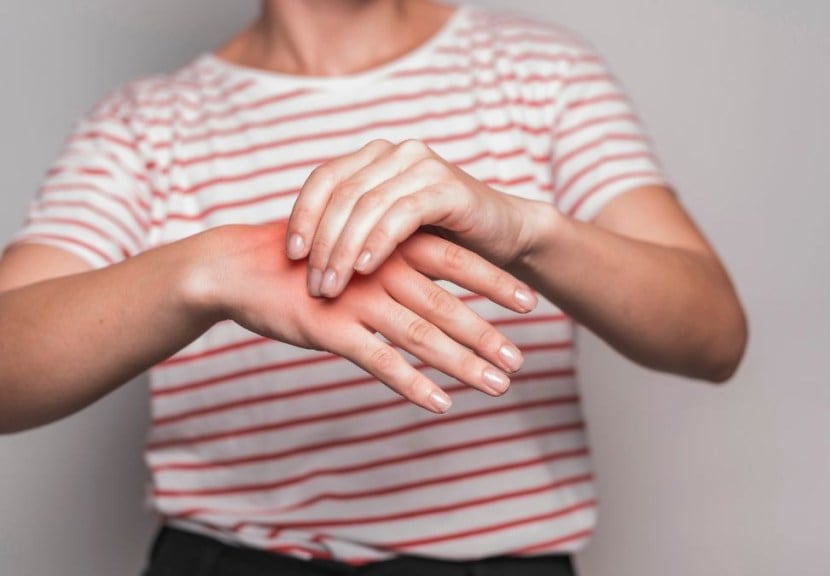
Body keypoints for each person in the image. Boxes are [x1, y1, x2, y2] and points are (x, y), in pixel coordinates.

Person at [0, 1, 747, 574]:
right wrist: (202, 272)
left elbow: (714, 337)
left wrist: (526, 230)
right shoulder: (143, 125)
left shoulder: (537, 70)